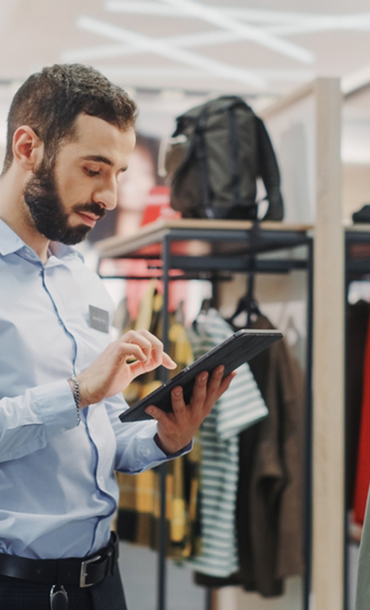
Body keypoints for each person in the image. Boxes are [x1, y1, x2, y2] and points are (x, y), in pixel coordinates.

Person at [0, 64, 234, 610]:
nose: (107, 195)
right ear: (28, 146)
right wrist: (79, 390)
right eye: (93, 168)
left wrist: (165, 438)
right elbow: (79, 400)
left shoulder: (82, 278)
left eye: (119, 173)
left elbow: (101, 434)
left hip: (103, 583)